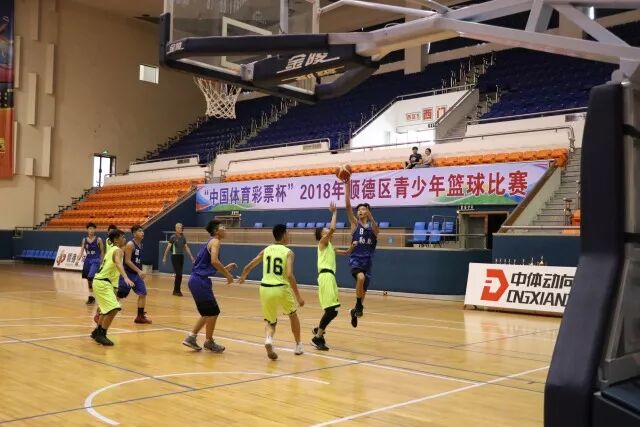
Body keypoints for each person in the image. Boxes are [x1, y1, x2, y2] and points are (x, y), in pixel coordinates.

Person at [238, 224, 305, 360]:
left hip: (265, 288)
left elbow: (249, 266)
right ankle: (298, 345)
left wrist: (243, 276)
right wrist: (298, 297)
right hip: (281, 288)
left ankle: (268, 339)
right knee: (293, 315)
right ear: (284, 235)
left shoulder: (266, 250)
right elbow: (289, 275)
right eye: (287, 233)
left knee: (271, 321)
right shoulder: (288, 252)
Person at [182, 220, 237, 352]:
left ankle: (195, 338)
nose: (225, 229)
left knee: (208, 312)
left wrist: (225, 268)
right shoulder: (215, 242)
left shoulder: (210, 242)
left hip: (196, 280)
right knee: (212, 312)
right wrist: (227, 275)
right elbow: (214, 261)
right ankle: (205, 340)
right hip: (200, 281)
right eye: (223, 227)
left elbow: (208, 266)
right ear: (216, 231)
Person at [312, 202, 354, 351]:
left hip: (330, 277)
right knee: (331, 310)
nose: (328, 230)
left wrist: (353, 246)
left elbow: (346, 252)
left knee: (332, 310)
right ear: (322, 235)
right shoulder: (322, 242)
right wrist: (335, 212)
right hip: (325, 276)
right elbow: (333, 229)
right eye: (325, 230)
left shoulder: (330, 246)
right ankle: (318, 337)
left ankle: (319, 330)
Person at [344, 176, 379, 328]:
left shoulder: (373, 227)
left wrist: (371, 217)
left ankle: (355, 310)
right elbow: (347, 206)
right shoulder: (354, 225)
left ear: (368, 212)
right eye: (359, 210)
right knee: (360, 277)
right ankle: (358, 306)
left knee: (363, 291)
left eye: (363, 209)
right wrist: (347, 184)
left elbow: (377, 231)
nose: (360, 211)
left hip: (368, 263)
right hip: (356, 260)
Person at [90, 228, 134, 346]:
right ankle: (102, 335)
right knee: (114, 308)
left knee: (105, 310)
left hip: (101, 282)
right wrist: (125, 277)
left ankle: (97, 332)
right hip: (103, 283)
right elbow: (118, 264)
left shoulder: (112, 249)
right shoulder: (117, 250)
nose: (124, 239)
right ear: (116, 240)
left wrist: (115, 287)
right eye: (122, 237)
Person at [117, 225, 152, 324]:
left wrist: (139, 271)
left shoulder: (141, 244)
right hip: (128, 274)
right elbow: (127, 261)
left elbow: (137, 260)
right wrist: (139, 271)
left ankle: (140, 317)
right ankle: (101, 312)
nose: (142, 232)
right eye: (140, 231)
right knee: (120, 295)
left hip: (136, 275)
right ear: (134, 233)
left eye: (142, 231)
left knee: (143, 293)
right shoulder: (130, 244)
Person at [162, 222, 195, 297]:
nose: (181, 229)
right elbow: (168, 247)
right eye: (179, 228)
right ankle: (177, 290)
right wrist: (164, 257)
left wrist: (191, 256)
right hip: (175, 257)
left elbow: (186, 247)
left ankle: (176, 290)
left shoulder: (183, 237)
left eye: (181, 228)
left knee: (179, 275)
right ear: (176, 228)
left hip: (181, 257)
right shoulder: (172, 237)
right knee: (179, 274)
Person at [78, 222, 104, 305]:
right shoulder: (84, 240)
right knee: (89, 280)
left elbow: (102, 251)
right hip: (87, 261)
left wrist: (101, 262)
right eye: (90, 228)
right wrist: (77, 259)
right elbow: (82, 250)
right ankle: (91, 297)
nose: (91, 230)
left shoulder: (99, 239)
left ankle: (97, 296)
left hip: (95, 260)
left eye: (93, 228)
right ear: (87, 230)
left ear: (95, 230)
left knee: (90, 277)